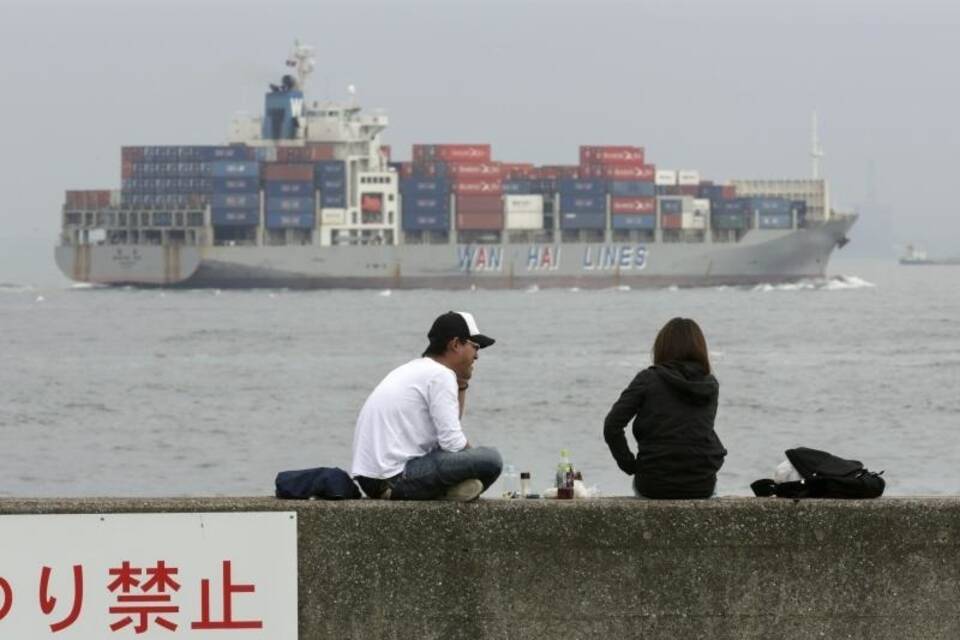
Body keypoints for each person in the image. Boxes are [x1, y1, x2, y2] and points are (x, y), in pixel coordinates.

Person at [351, 311, 503, 501]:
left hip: (373, 480)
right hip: (394, 478)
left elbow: (448, 432)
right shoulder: (440, 375)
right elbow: (453, 444)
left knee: (468, 459)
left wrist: (462, 383)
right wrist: (473, 462)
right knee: (491, 459)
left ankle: (452, 492)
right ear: (456, 344)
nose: (477, 356)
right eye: (475, 346)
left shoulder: (416, 369)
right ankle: (451, 491)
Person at [603, 317, 727, 499]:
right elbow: (698, 430)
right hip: (701, 483)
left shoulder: (648, 379)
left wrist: (630, 465)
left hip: (653, 483)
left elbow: (612, 425)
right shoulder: (709, 384)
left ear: (662, 347)